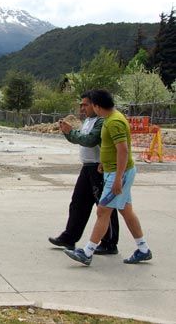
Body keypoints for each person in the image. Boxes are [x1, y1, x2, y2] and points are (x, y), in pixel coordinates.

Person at [64, 89, 152, 266]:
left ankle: (87, 252)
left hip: (119, 174)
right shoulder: (110, 119)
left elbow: (123, 150)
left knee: (102, 211)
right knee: (126, 211)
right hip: (114, 170)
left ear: (97, 106)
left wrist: (118, 177)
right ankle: (143, 249)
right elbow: (112, 148)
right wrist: (105, 162)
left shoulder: (114, 122)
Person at [48, 91, 119, 255]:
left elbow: (90, 140)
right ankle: (69, 237)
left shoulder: (102, 121)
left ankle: (109, 242)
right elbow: (79, 138)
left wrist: (71, 132)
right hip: (87, 167)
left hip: (99, 168)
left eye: (85, 104)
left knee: (105, 207)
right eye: (81, 105)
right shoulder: (88, 121)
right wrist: (68, 132)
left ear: (96, 105)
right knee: (78, 203)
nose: (82, 108)